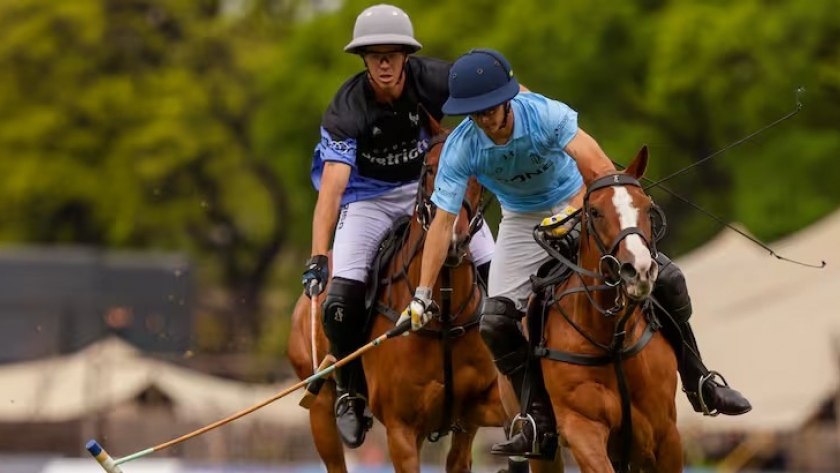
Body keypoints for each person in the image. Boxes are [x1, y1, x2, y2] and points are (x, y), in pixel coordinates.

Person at [397, 48, 752, 459]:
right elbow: (442, 223)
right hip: (519, 220)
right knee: (495, 320)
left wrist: (571, 213)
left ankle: (700, 381)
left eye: (490, 108)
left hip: (580, 201)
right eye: (474, 112)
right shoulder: (462, 147)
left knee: (669, 280)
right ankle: (535, 418)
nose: (485, 119)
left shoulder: (546, 115)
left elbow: (600, 172)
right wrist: (422, 295)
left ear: (507, 99)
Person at [300, 5, 496, 450]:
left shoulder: (435, 80)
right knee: (342, 296)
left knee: (497, 268)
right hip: (367, 198)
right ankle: (351, 389)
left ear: (407, 56)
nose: (384, 63)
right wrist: (318, 254)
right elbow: (332, 189)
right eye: (374, 55)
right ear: (363, 59)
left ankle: (518, 377)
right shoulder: (346, 108)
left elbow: (501, 91)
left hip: (429, 187)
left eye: (393, 54)